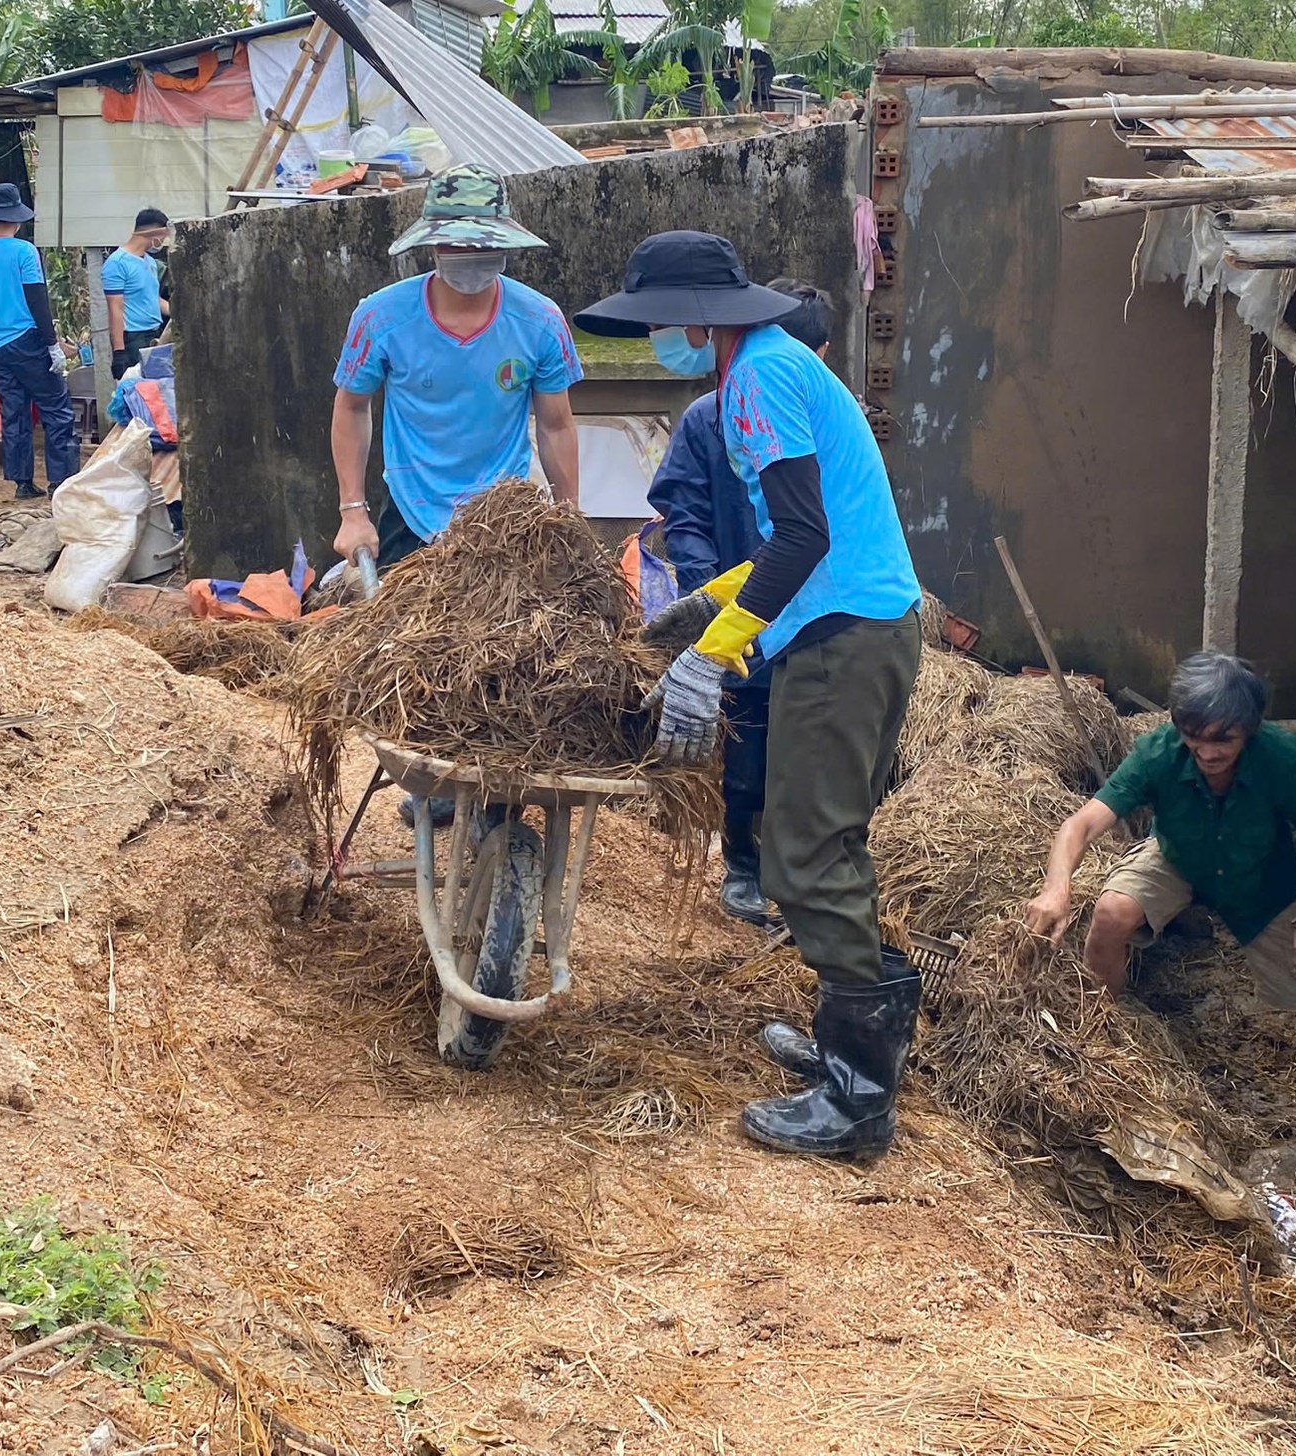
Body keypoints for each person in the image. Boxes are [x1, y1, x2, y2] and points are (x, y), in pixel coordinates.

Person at [577, 233, 923, 1159]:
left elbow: (804, 537)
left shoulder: (761, 378)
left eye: (659, 319)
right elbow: (788, 540)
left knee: (806, 857)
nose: (656, 336)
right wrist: (707, 602)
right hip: (844, 622)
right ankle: (850, 1045)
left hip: (845, 636)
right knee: (817, 846)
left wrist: (712, 655)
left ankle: (858, 1100)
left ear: (696, 316)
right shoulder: (757, 373)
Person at [1024, 651, 1296, 1114]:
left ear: (1251, 727)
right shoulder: (1159, 751)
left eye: (1222, 740)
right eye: (1193, 737)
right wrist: (1056, 886)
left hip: (1262, 882)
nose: (1206, 752)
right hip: (1179, 856)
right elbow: (1079, 825)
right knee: (1110, 913)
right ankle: (1096, 1044)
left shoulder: (1289, 761)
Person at [644, 280, 835, 928]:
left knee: (809, 753)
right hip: (742, 611)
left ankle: (798, 880)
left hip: (812, 613)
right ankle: (744, 867)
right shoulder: (709, 418)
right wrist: (708, 594)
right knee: (747, 748)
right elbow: (685, 514)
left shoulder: (829, 421)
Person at [331, 167, 582, 571]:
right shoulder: (380, 318)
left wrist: (568, 514)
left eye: (481, 246)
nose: (469, 255)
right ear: (432, 244)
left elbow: (556, 425)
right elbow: (351, 406)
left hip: (504, 513)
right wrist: (353, 512)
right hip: (413, 505)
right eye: (456, 245)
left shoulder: (540, 321)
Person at [0, 183, 77, 500]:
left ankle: (22, 482)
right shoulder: (25, 252)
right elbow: (37, 300)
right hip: (28, 340)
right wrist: (52, 344)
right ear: (16, 218)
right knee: (57, 410)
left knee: (14, 413)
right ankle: (62, 481)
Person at [102, 207, 173, 376]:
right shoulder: (117, 263)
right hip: (133, 337)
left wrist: (178, 312)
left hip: (154, 334)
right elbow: (115, 308)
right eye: (163, 236)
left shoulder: (150, 262)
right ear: (154, 232)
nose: (163, 241)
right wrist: (119, 352)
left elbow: (152, 298)